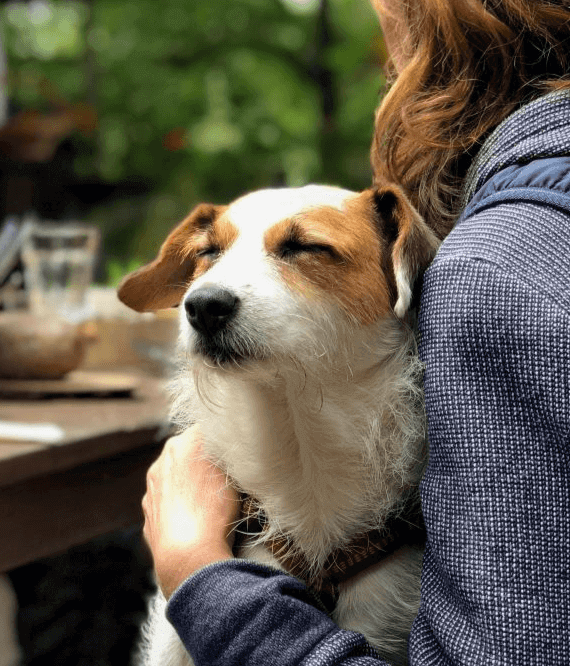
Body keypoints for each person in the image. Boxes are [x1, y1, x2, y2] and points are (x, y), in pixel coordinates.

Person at [141, 0, 570, 663]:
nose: (208, 295)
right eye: (210, 256)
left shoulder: (492, 268)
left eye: (303, 249)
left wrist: (202, 576)